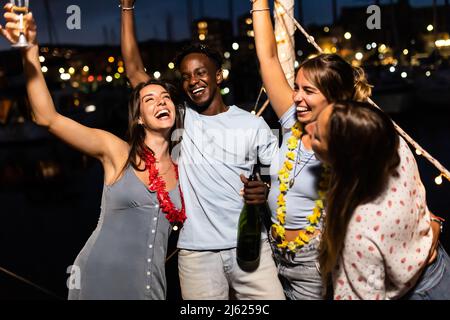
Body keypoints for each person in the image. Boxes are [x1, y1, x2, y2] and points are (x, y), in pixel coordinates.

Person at [1, 5, 185, 300]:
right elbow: (47, 118)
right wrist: (29, 51)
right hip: (100, 280)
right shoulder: (117, 151)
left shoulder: (185, 169)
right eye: (149, 98)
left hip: (151, 289)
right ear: (139, 117)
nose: (160, 101)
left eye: (166, 97)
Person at [120, 0, 285, 299]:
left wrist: (265, 188)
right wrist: (126, 8)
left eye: (200, 73)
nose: (193, 81)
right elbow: (134, 71)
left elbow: (283, 176)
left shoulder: (251, 124)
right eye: (185, 76)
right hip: (196, 255)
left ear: (218, 76)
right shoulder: (180, 118)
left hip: (250, 247)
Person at [252, 0, 373, 299]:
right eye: (296, 87)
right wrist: (258, 2)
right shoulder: (293, 120)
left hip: (313, 265)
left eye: (308, 91)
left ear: (334, 97)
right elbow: (268, 59)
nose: (297, 98)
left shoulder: (347, 144)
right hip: (271, 254)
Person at [306, 101, 449, 300]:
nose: (307, 128)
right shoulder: (396, 148)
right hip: (440, 271)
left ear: (342, 159)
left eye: (317, 136)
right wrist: (435, 225)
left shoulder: (358, 228)